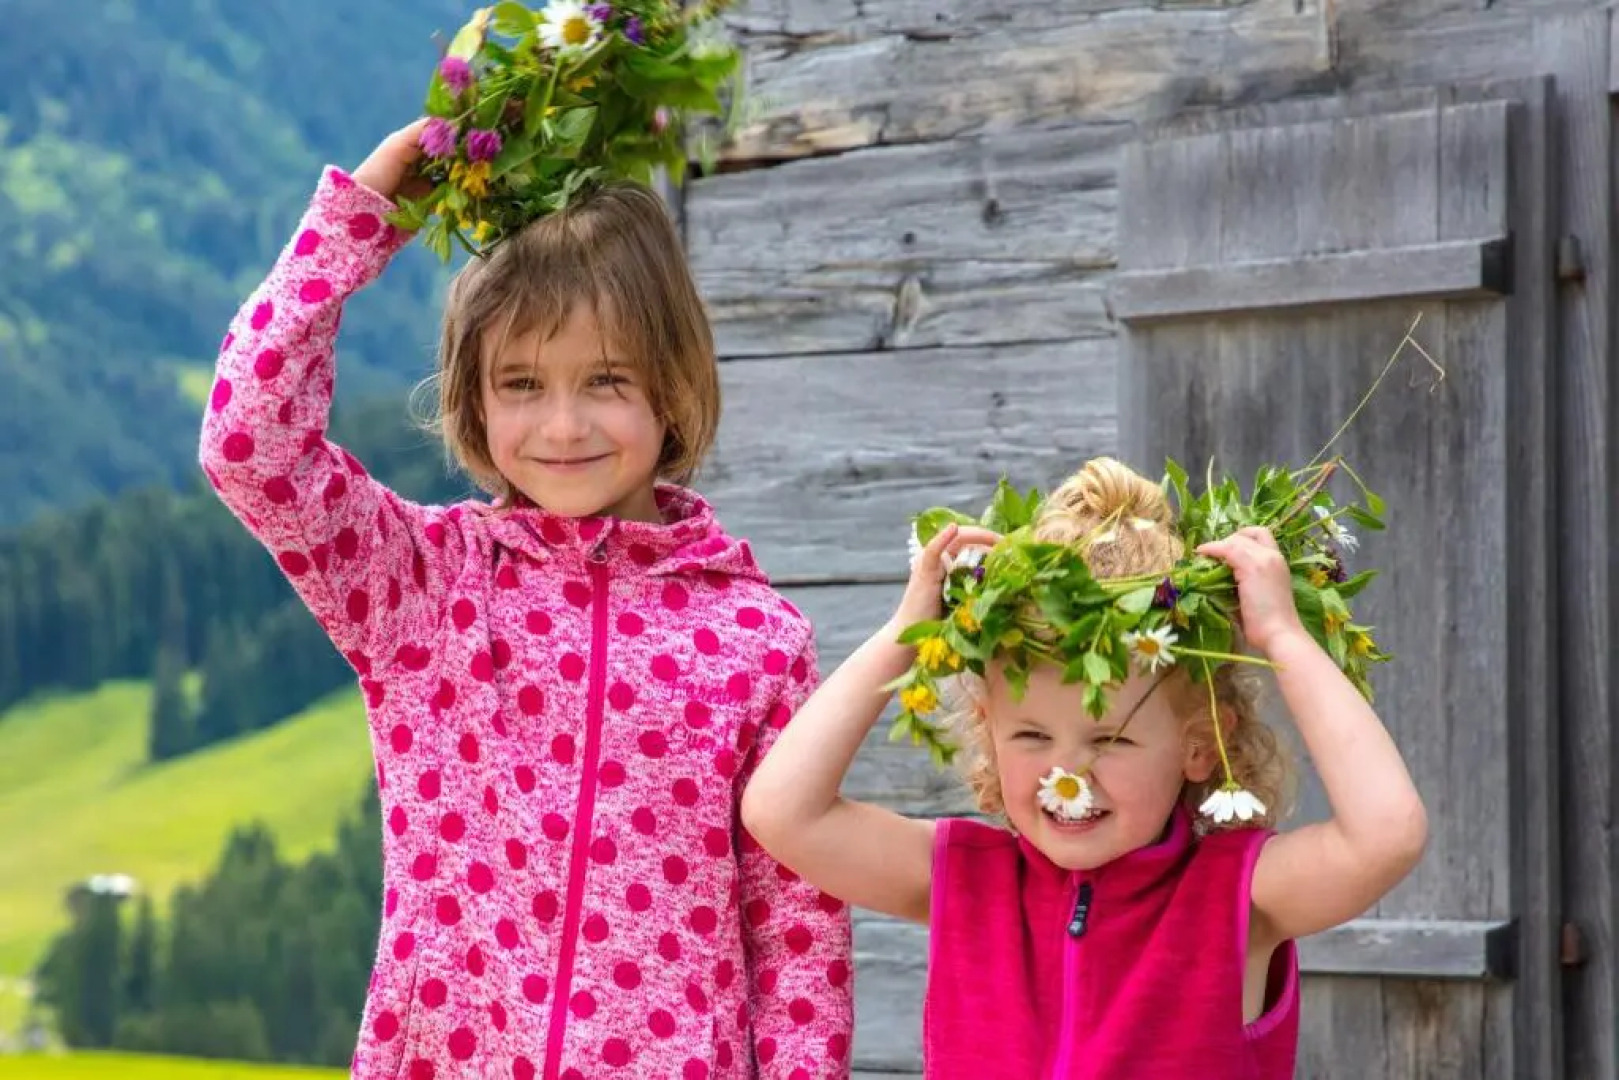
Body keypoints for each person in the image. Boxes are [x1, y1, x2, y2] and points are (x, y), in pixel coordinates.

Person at [201, 119, 853, 1080]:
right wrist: (359, 221)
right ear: (473, 398)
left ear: (670, 388)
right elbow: (249, 449)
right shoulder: (420, 588)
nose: (562, 425)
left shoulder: (756, 640)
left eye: (604, 380)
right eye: (520, 383)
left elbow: (797, 933)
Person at [742, 456, 1427, 1078]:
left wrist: (1282, 636)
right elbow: (781, 812)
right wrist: (906, 631)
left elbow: (1385, 833)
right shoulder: (962, 879)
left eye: (1112, 741)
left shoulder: (1239, 899)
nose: (1065, 774)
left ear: (1200, 744)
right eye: (1032, 735)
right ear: (987, 731)